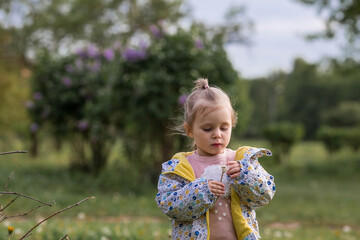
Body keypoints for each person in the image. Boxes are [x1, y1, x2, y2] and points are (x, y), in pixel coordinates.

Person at [155, 78, 275, 240]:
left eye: (224, 127)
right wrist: (201, 191)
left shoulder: (242, 161)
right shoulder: (180, 166)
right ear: (190, 130)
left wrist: (246, 176)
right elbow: (168, 204)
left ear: (232, 124)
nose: (217, 134)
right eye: (207, 128)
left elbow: (265, 195)